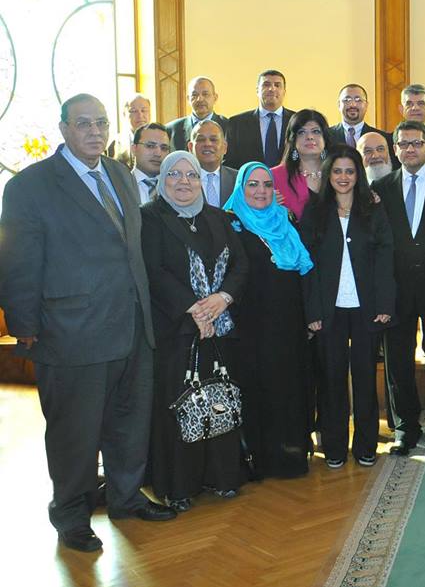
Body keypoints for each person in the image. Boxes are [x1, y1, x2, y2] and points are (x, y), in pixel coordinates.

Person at [0, 93, 175, 552]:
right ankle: (72, 515)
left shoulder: (119, 173)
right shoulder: (30, 186)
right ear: (63, 128)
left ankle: (125, 497)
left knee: (129, 422)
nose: (95, 132)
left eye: (101, 123)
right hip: (70, 331)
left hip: (132, 325)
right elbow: (17, 262)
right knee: (74, 433)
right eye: (83, 123)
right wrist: (24, 325)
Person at [141, 150, 249, 511]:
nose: (183, 182)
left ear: (201, 182)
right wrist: (195, 309)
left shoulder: (217, 217)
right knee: (180, 406)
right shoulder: (149, 217)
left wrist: (223, 298)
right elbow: (153, 270)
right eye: (174, 174)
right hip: (176, 330)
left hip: (220, 328)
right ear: (162, 180)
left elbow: (240, 264)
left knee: (219, 401)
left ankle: (222, 477)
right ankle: (179, 486)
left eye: (191, 175)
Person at [223, 162, 321, 479]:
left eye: (267, 184)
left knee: (290, 387)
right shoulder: (229, 224)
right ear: (240, 189)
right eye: (252, 184)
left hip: (289, 324)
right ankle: (258, 460)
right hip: (250, 327)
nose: (261, 191)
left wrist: (309, 317)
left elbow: (304, 273)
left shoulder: (285, 219)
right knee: (258, 390)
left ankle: (290, 455)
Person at [301, 145, 396, 468]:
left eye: (350, 171)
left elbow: (385, 256)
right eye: (337, 171)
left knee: (366, 378)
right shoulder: (314, 211)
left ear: (358, 175)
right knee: (331, 380)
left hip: (367, 308)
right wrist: (312, 311)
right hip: (329, 311)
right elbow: (307, 265)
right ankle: (334, 446)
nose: (343, 177)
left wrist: (385, 302)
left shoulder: (373, 208)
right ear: (328, 174)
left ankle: (366, 445)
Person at [372, 121, 425, 458]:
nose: (410, 149)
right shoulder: (381, 188)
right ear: (395, 150)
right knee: (397, 362)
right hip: (395, 290)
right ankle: (405, 428)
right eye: (403, 144)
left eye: (417, 143)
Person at [271, 109, 333, 221]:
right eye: (301, 132)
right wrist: (264, 205)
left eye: (316, 131)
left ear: (325, 138)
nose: (309, 137)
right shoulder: (274, 176)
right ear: (293, 140)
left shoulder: (338, 173)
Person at [225, 70, 293, 169]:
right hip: (249, 178)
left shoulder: (297, 121)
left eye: (277, 85)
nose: (272, 89)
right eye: (266, 84)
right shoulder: (237, 123)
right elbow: (229, 162)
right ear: (257, 90)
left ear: (284, 92)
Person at [328, 83, 398, 169]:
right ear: (339, 105)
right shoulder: (326, 136)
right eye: (347, 100)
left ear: (366, 105)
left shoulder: (384, 138)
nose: (353, 104)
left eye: (358, 100)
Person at [166, 76, 229, 151]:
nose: (200, 99)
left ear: (215, 98)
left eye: (205, 94)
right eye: (194, 95)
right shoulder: (171, 129)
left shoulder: (228, 127)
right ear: (188, 99)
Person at [189, 119, 237, 209]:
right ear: (190, 147)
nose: (207, 144)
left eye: (213, 139)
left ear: (225, 147)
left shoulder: (239, 180)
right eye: (201, 139)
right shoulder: (182, 181)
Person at [130, 123, 172, 204]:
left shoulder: (175, 186)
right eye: (150, 146)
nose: (158, 153)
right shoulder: (121, 185)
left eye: (164, 148)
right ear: (134, 149)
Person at [108, 93, 152, 169]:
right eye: (134, 111)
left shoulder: (162, 140)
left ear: (150, 114)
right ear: (124, 114)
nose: (140, 115)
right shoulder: (115, 144)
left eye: (144, 110)